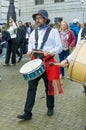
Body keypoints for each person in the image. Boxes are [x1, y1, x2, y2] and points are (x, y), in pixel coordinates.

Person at [17, 9, 63, 120]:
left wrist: (51, 51)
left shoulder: (53, 32)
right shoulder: (33, 32)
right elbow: (31, 45)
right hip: (35, 63)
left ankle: (50, 107)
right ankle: (27, 112)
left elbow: (59, 47)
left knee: (49, 87)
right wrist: (29, 51)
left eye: (40, 18)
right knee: (31, 88)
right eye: (36, 18)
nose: (37, 20)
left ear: (45, 19)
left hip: (48, 63)